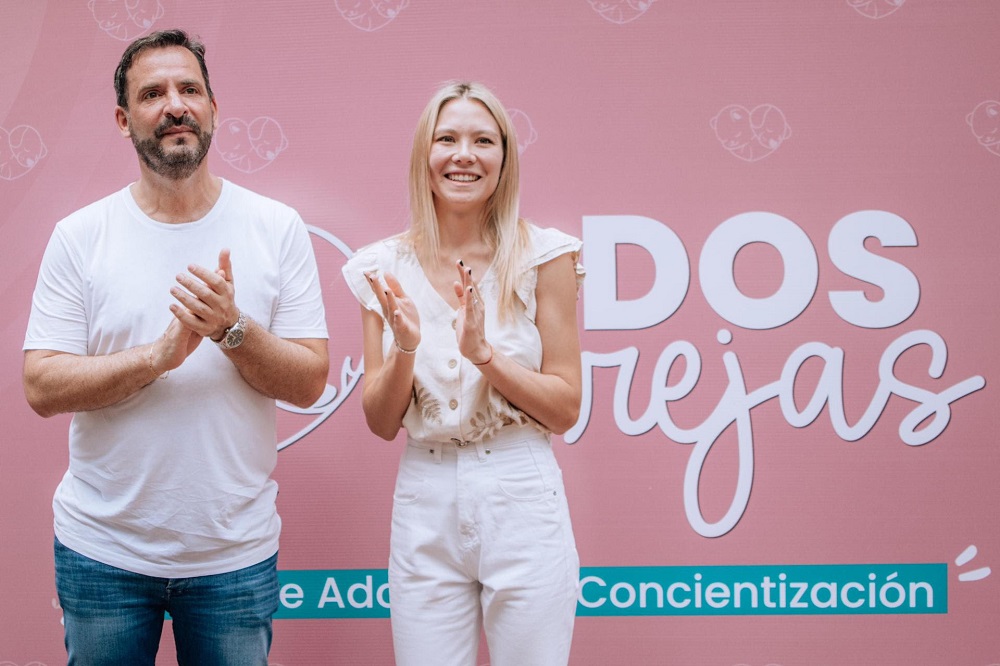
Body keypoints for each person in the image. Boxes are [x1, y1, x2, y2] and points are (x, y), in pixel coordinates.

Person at [22, 29, 329, 665]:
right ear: (122, 118)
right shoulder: (80, 237)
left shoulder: (276, 228)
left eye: (190, 89)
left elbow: (308, 382)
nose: (175, 105)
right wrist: (158, 358)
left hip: (234, 557)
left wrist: (230, 329)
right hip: (102, 551)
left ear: (214, 108)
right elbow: (41, 386)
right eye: (153, 93)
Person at [342, 81, 583, 666]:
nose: (463, 155)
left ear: (505, 158)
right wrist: (405, 348)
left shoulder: (545, 256)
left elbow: (566, 407)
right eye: (446, 139)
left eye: (483, 140)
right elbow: (379, 422)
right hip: (425, 496)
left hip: (521, 490)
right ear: (424, 157)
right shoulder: (381, 267)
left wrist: (486, 356)